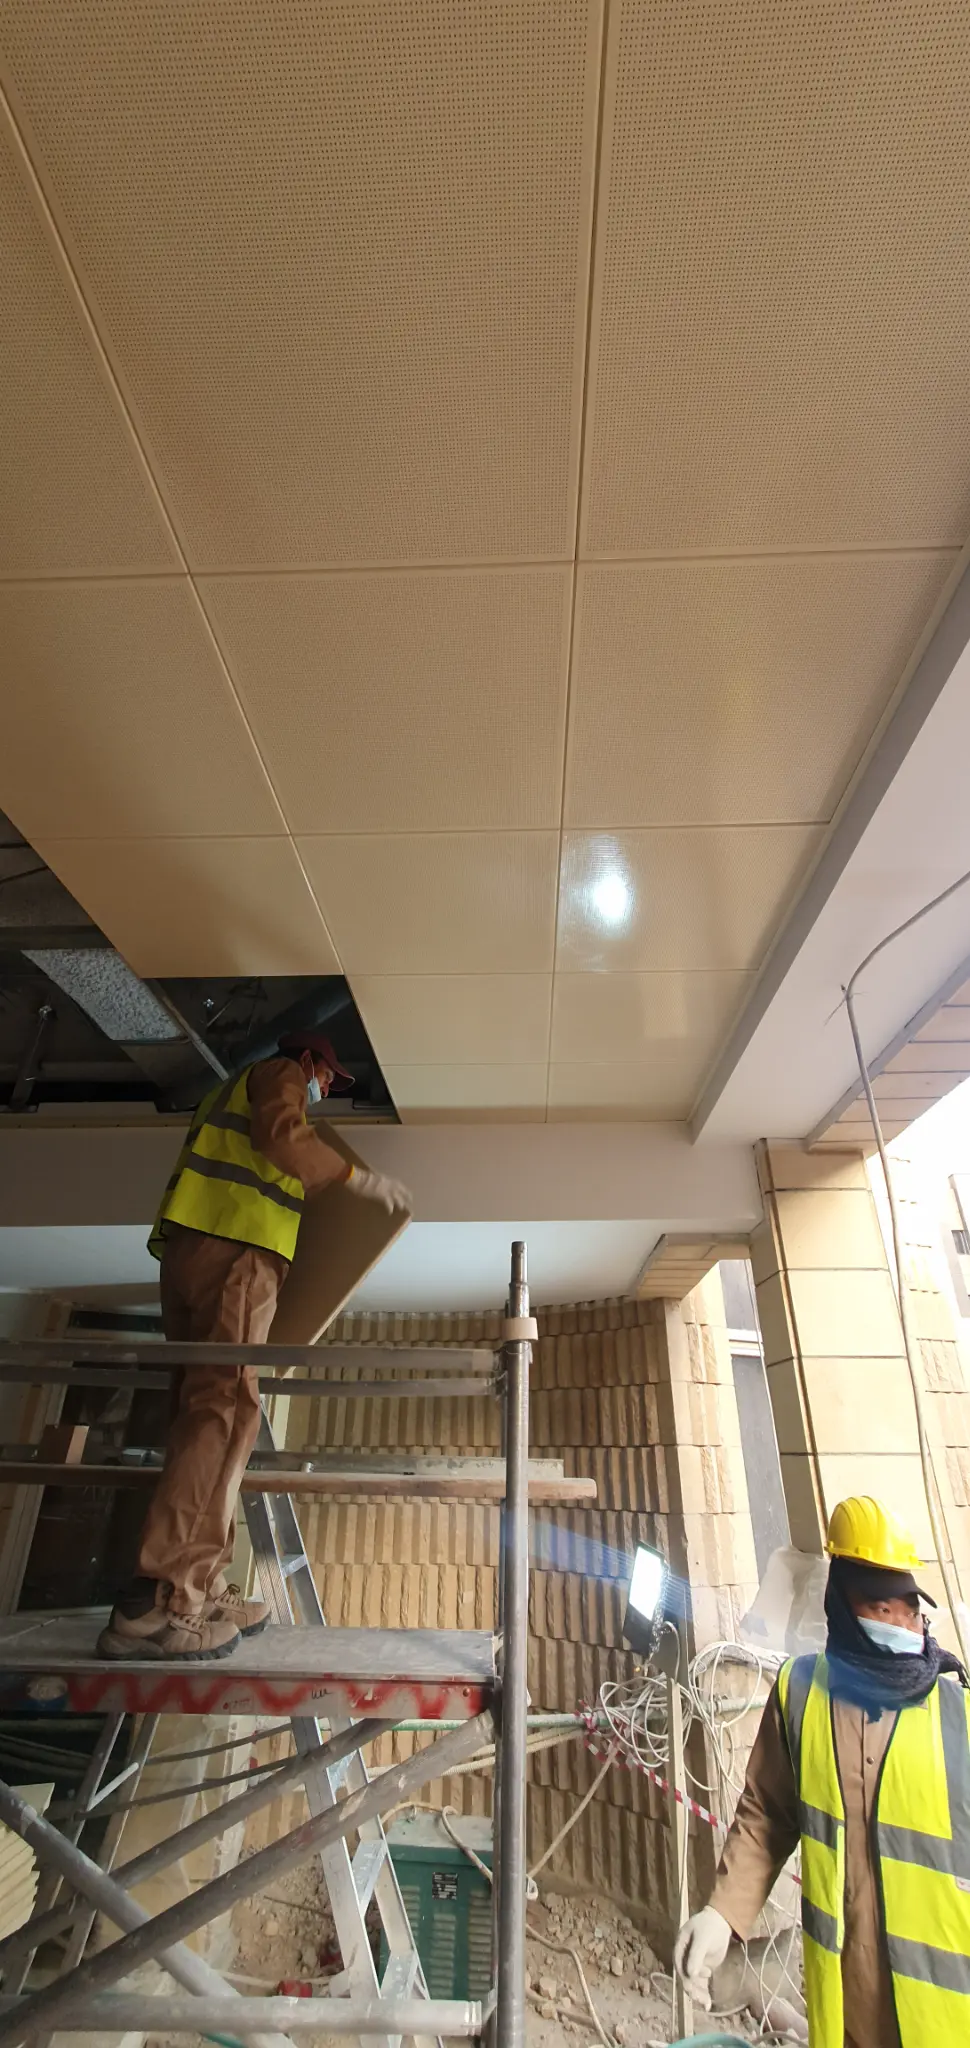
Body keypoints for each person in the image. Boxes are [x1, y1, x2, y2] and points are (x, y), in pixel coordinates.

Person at [98, 1031, 410, 1663]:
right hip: (236, 1254)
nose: (326, 1089)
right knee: (225, 1412)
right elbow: (283, 1136)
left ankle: (200, 1584)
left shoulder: (223, 1094)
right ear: (309, 1059)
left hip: (193, 1252)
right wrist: (354, 1178)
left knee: (203, 1415)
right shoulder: (277, 1074)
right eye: (328, 1077)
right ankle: (166, 1601)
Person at [674, 1495, 970, 2046]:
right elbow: (768, 1816)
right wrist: (724, 1912)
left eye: (909, 1606)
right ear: (841, 1602)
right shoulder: (800, 1694)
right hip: (846, 2010)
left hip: (945, 2021)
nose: (902, 1623)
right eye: (883, 1607)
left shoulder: (960, 1718)